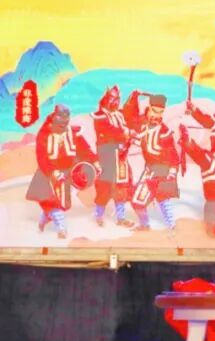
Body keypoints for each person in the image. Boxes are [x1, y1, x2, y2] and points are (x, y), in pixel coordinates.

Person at [25, 104, 97, 239]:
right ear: (54, 118)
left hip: (66, 172)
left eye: (66, 118)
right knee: (51, 201)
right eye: (60, 118)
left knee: (59, 203)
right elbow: (41, 157)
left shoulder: (73, 133)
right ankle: (61, 228)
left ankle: (44, 219)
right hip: (47, 173)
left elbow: (84, 149)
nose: (64, 122)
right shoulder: (45, 134)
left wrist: (95, 161)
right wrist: (52, 172)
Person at [131, 94, 181, 232]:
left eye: (160, 112)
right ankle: (145, 224)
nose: (157, 115)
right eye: (154, 111)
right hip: (149, 170)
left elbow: (173, 156)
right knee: (137, 201)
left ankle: (171, 225)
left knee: (163, 199)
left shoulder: (165, 132)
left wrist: (172, 173)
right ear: (149, 109)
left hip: (161, 172)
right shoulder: (143, 126)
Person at [90, 86, 136, 228]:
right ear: (105, 99)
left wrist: (129, 137)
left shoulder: (119, 115)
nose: (115, 101)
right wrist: (125, 134)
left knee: (121, 187)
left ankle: (121, 218)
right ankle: (98, 216)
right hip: (107, 157)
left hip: (121, 157)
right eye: (112, 98)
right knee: (104, 187)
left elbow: (130, 117)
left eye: (117, 99)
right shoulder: (100, 116)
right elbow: (108, 131)